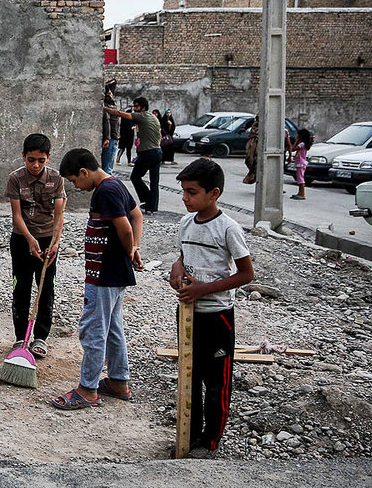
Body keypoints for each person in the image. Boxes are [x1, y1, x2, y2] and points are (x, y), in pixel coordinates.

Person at [169, 158, 254, 458]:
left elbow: (246, 274)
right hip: (187, 315)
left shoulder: (229, 229)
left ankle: (210, 441)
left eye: (191, 192)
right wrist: (176, 270)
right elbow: (182, 256)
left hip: (217, 317)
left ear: (213, 193)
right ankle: (187, 435)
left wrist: (202, 289)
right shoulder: (185, 223)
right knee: (188, 375)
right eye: (183, 191)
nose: (184, 198)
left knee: (216, 382)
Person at [51, 148, 143, 410]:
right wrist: (134, 248)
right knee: (113, 328)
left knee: (94, 330)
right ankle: (118, 381)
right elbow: (137, 215)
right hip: (113, 274)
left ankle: (88, 388)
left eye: (74, 181)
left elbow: (125, 225)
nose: (77, 187)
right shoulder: (117, 184)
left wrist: (130, 248)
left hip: (103, 274)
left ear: (84, 172)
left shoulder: (105, 191)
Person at [6, 133, 66, 359]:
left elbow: (59, 216)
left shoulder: (56, 179)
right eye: (31, 159)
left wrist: (56, 243)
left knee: (45, 288)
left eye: (41, 160)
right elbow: (17, 216)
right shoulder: (15, 179)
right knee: (20, 287)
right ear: (23, 156)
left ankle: (40, 338)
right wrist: (30, 239)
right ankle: (21, 337)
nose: (36, 165)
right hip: (22, 240)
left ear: (48, 157)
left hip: (48, 241)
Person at [105, 96, 162, 214]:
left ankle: (147, 199)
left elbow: (121, 114)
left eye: (136, 106)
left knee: (135, 177)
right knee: (154, 181)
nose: (134, 109)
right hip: (157, 151)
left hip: (147, 153)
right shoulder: (153, 117)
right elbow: (159, 134)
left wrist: (105, 108)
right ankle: (152, 207)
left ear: (143, 107)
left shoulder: (141, 116)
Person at [101, 81, 121, 173]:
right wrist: (107, 138)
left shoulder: (112, 105)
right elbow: (107, 121)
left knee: (108, 167)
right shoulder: (106, 106)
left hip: (114, 138)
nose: (110, 94)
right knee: (107, 169)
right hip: (111, 139)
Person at [290, 129, 312, 200]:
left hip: (301, 163)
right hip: (300, 162)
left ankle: (302, 194)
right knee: (299, 178)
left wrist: (296, 141)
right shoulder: (304, 144)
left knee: (300, 179)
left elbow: (293, 149)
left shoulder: (302, 144)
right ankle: (299, 193)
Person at [243, 116, 259, 184]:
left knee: (254, 161)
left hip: (256, 144)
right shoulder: (255, 124)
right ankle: (253, 174)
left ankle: (254, 175)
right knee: (248, 160)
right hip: (251, 143)